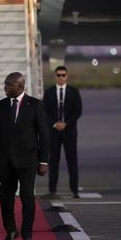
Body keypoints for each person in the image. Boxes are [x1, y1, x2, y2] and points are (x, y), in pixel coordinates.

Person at [0, 72, 48, 240]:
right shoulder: (1, 106)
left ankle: (27, 235)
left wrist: (43, 161)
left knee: (27, 197)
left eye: (8, 84)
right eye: (5, 84)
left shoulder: (35, 105)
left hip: (28, 160)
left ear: (19, 86)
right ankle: (11, 230)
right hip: (6, 161)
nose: (5, 87)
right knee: (5, 198)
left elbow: (44, 136)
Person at [43, 66, 83, 197]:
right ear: (55, 76)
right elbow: (45, 111)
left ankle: (75, 190)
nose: (61, 77)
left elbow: (78, 111)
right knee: (53, 161)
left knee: (72, 161)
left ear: (67, 76)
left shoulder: (74, 92)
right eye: (58, 75)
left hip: (69, 131)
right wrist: (55, 123)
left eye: (63, 75)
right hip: (54, 132)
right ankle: (52, 190)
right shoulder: (48, 92)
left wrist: (66, 123)